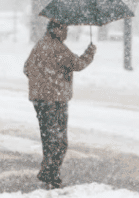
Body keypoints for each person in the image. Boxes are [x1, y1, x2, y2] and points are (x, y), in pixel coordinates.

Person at [23, 20, 96, 188]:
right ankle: (50, 174)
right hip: (55, 100)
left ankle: (49, 172)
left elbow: (27, 68)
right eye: (64, 29)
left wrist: (41, 81)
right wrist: (90, 52)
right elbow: (77, 64)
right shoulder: (57, 47)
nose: (66, 33)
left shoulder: (40, 45)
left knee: (48, 137)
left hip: (40, 100)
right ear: (54, 29)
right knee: (59, 141)